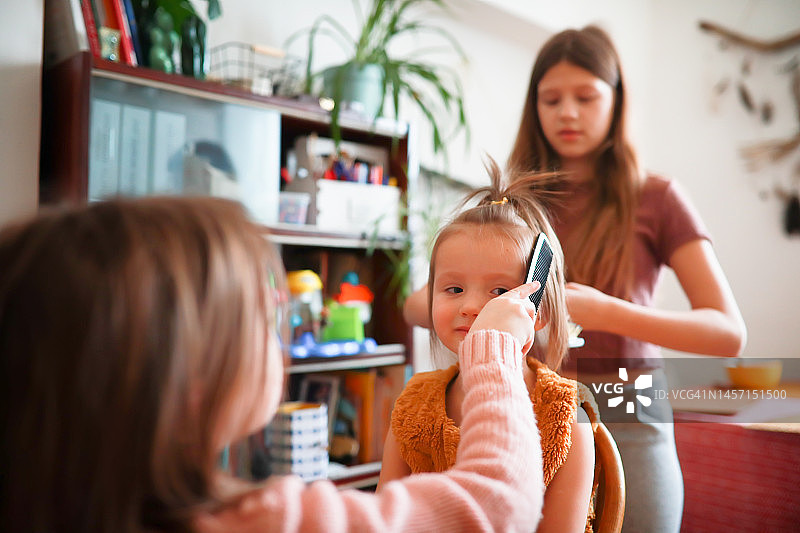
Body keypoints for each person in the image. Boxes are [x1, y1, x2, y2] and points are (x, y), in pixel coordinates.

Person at [0, 196, 545, 533]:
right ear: (188, 381)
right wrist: (493, 347)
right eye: (262, 320)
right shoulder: (271, 523)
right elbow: (495, 509)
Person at [405, 25, 747, 533]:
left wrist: (606, 311)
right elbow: (417, 306)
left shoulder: (658, 199)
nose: (567, 112)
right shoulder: (514, 208)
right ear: (534, 107)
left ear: (616, 101)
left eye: (585, 97)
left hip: (632, 410)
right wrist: (479, 301)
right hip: (531, 411)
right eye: (551, 99)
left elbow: (727, 334)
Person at [379, 161, 599, 533]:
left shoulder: (563, 418)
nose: (470, 306)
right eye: (454, 289)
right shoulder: (413, 405)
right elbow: (386, 518)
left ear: (537, 309)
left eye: (498, 292)